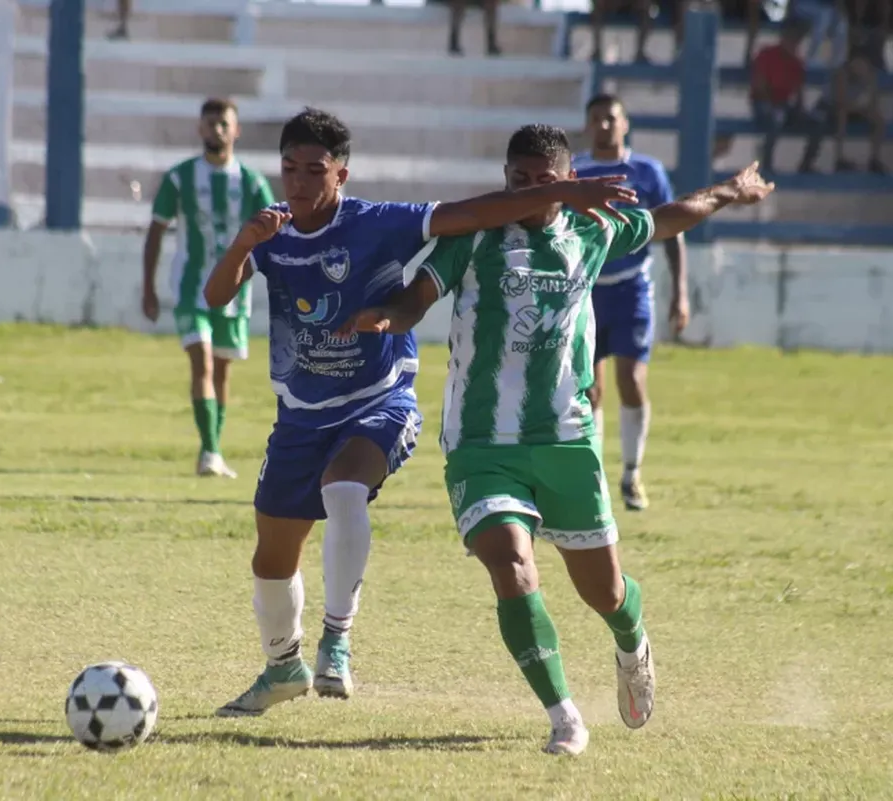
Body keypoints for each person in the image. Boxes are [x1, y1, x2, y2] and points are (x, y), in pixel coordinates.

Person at [338, 125, 774, 755]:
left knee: (605, 593)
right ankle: (564, 715)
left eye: (545, 182)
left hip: (566, 438)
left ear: (568, 181)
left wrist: (729, 191)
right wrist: (386, 317)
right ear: (506, 177)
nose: (530, 192)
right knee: (511, 566)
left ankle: (632, 639)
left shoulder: (593, 230)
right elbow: (416, 299)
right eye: (519, 180)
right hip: (481, 440)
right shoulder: (477, 235)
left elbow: (667, 219)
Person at [201, 107, 637, 717]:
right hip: (301, 412)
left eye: (314, 170)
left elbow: (469, 215)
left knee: (344, 488)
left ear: (342, 174)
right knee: (271, 555)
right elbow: (216, 295)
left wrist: (563, 191)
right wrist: (245, 243)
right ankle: (282, 668)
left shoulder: (377, 223)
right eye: (289, 169)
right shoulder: (273, 235)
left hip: (379, 400)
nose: (298, 182)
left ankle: (337, 640)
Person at [142, 98, 275, 478]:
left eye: (224, 123)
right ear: (199, 129)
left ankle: (210, 447)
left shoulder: (251, 182)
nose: (216, 130)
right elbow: (156, 230)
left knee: (221, 371)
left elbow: (276, 232)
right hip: (190, 288)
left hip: (235, 293)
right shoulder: (180, 177)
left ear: (236, 131)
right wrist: (148, 287)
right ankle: (211, 453)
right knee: (200, 363)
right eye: (210, 123)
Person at [571, 94, 688, 511]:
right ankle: (595, 478)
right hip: (584, 290)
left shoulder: (648, 171)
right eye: (597, 118)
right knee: (590, 390)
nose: (605, 125)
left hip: (632, 288)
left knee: (632, 381)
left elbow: (672, 230)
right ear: (587, 125)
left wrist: (681, 291)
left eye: (612, 118)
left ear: (626, 124)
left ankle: (632, 473)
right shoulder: (576, 172)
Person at [749, 19, 823, 173]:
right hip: (763, 103)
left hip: (783, 105)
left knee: (817, 122)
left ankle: (806, 164)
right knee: (777, 117)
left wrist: (800, 111)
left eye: (797, 39)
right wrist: (776, 104)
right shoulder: (766, 54)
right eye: (791, 37)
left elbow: (799, 93)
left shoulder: (797, 63)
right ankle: (767, 162)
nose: (793, 42)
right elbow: (760, 87)